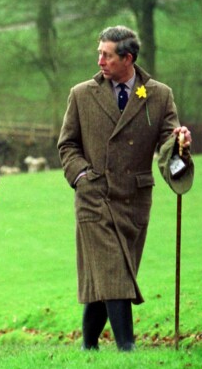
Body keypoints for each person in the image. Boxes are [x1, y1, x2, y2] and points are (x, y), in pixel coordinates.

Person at [57, 25, 194, 351]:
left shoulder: (159, 95)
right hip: (94, 197)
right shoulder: (81, 94)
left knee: (109, 276)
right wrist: (81, 178)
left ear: (128, 58)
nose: (99, 60)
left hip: (134, 201)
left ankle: (88, 346)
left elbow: (167, 147)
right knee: (114, 271)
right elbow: (67, 146)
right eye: (99, 53)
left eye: (106, 55)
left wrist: (180, 147)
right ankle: (126, 348)